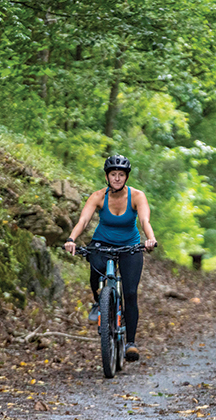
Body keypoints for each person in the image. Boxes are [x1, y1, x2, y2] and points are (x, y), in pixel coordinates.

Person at [64, 154, 157, 362]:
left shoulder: (137, 196)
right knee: (94, 266)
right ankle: (100, 302)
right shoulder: (98, 196)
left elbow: (144, 220)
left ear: (126, 177)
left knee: (130, 293)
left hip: (130, 246)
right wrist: (71, 238)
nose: (116, 178)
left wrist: (150, 239)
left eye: (121, 175)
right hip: (102, 243)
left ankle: (130, 343)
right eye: (113, 174)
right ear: (107, 177)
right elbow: (84, 220)